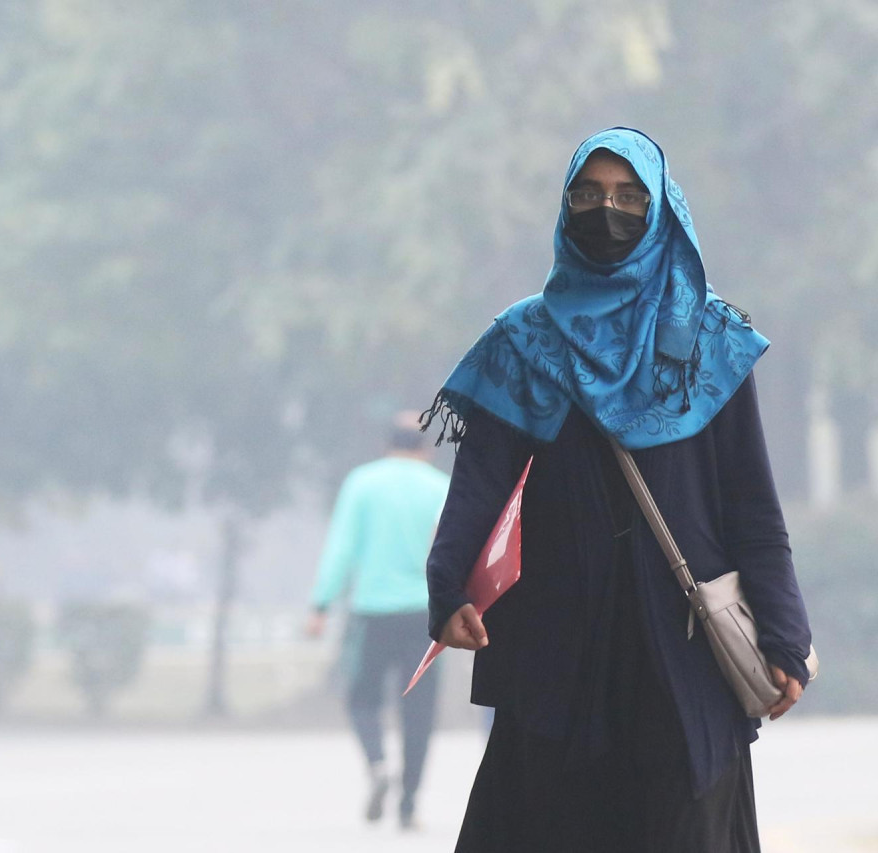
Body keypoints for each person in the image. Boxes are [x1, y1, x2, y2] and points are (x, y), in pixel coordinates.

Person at [422, 127, 813, 852]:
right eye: (589, 195)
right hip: (555, 654)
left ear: (663, 210)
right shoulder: (521, 342)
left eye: (631, 197)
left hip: (685, 654)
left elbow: (753, 508)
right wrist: (447, 591)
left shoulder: (710, 342)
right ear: (564, 208)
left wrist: (786, 634)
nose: (609, 210)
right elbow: (479, 483)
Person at [306, 413, 450, 830]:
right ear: (425, 449)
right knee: (418, 712)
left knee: (362, 699)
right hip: (427, 615)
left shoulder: (362, 484)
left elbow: (342, 547)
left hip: (372, 612)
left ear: (388, 446)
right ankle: (408, 805)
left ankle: (377, 762)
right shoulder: (440, 488)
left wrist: (320, 604)